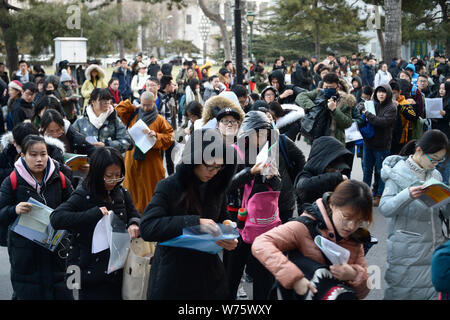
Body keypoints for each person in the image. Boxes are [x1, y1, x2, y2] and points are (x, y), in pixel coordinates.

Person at [139, 128, 238, 299]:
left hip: (209, 276)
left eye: (219, 167)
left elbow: (222, 217)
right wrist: (195, 223)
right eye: (209, 165)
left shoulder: (216, 186)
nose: (214, 172)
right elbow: (148, 227)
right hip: (174, 275)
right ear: (194, 159)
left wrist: (228, 231)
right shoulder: (169, 186)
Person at [252, 179, 372, 300]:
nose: (351, 226)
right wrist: (294, 278)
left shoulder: (356, 239)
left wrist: (354, 274)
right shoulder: (304, 226)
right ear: (333, 205)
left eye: (359, 221)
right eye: (346, 217)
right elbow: (261, 243)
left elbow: (362, 293)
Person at [50, 147, 140, 300]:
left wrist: (134, 224)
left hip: (116, 269)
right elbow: (57, 218)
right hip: (85, 271)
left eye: (118, 176)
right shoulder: (83, 194)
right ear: (97, 174)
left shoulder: (122, 193)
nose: (113, 181)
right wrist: (94, 214)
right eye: (108, 176)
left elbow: (134, 214)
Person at [0, 135, 73, 300]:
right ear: (23, 156)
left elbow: (74, 205)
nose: (39, 159)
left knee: (60, 292)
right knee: (28, 293)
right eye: (33, 154)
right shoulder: (11, 181)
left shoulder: (60, 178)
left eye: (43, 154)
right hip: (24, 253)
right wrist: (14, 210)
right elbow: (1, 213)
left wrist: (62, 215)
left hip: (56, 250)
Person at [379, 129, 450, 300]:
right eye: (433, 160)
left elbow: (441, 210)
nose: (435, 164)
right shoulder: (397, 172)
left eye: (439, 161)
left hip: (432, 246)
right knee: (403, 292)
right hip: (407, 252)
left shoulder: (435, 174)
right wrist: (408, 195)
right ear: (419, 150)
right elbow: (385, 208)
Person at [116, 92, 174, 214]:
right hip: (132, 160)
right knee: (132, 189)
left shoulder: (160, 120)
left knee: (151, 191)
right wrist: (133, 106)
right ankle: (133, 217)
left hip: (151, 163)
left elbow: (170, 137)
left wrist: (157, 136)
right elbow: (120, 109)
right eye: (143, 105)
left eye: (148, 105)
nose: (146, 108)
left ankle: (151, 215)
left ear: (154, 103)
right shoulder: (133, 115)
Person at [359, 84, 397, 205]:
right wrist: (362, 107)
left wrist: (366, 113)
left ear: (388, 94)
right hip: (368, 143)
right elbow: (360, 107)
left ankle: (380, 195)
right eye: (379, 92)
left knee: (381, 172)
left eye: (383, 92)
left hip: (382, 145)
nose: (381, 94)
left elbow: (382, 122)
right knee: (367, 170)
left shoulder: (391, 108)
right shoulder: (372, 103)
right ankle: (364, 194)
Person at [294, 136, 353, 212]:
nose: (337, 172)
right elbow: (304, 188)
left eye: (339, 169)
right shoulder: (306, 175)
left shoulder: (334, 178)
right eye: (333, 169)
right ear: (322, 164)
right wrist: (337, 178)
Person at [295, 72, 353, 145]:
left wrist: (334, 110)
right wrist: (312, 107)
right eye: (326, 87)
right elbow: (300, 97)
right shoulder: (318, 93)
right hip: (316, 138)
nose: (328, 89)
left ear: (337, 87)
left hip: (335, 141)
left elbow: (347, 123)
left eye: (331, 87)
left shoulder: (344, 101)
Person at [73, 88, 131, 153]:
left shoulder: (115, 120)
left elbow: (127, 142)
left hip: (111, 160)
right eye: (102, 100)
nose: (107, 102)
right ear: (93, 101)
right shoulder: (80, 122)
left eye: (108, 99)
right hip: (87, 161)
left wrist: (106, 145)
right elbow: (72, 142)